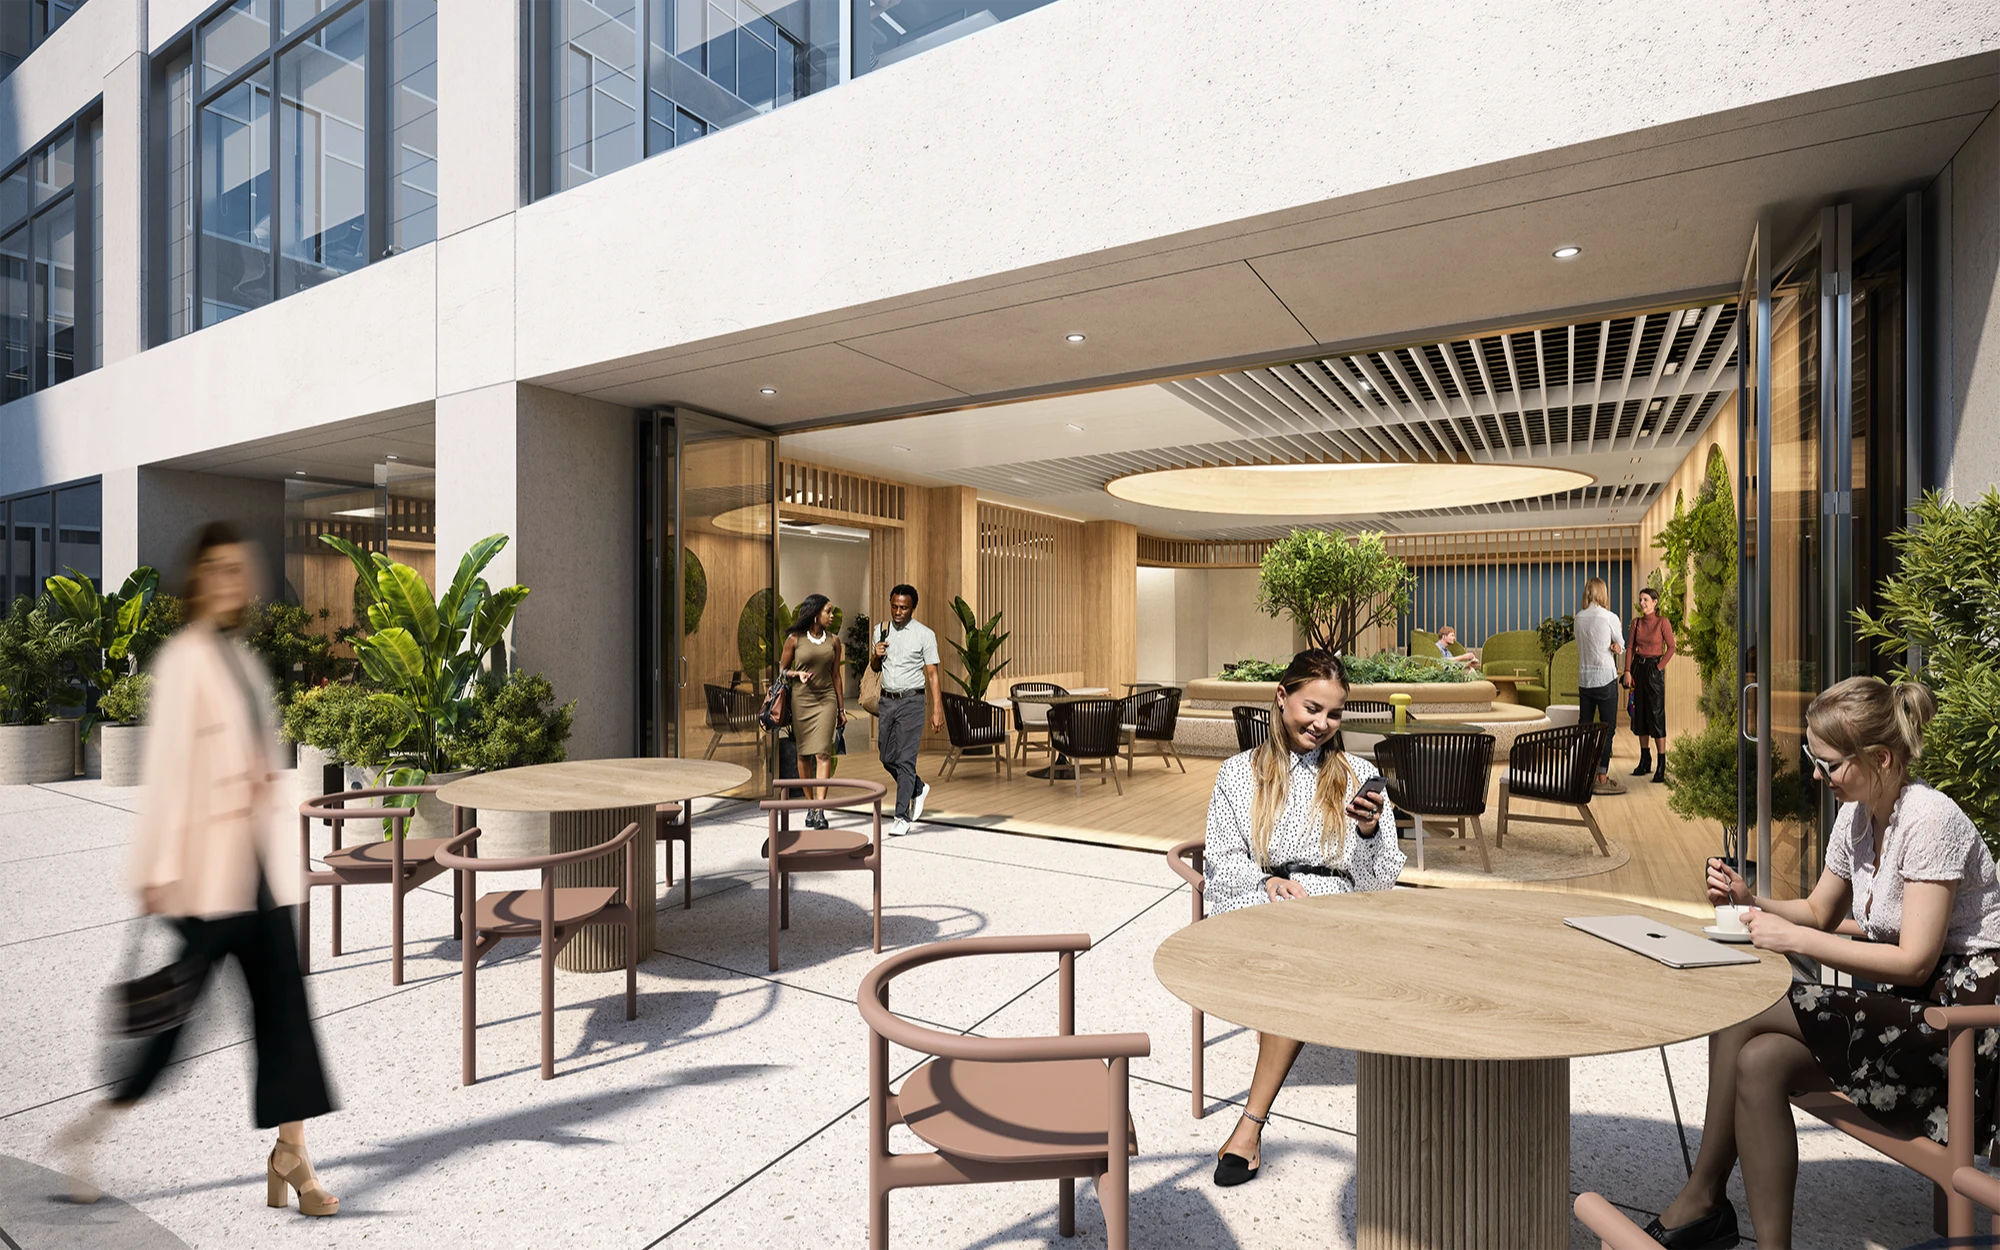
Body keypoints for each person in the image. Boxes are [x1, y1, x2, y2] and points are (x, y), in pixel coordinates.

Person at [1642, 677, 1999, 1250]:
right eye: (1814, 758)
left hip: (1960, 1034)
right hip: (1909, 1018)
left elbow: (1913, 960)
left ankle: (1702, 1199)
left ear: (1880, 759)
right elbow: (1818, 910)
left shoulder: (1929, 820)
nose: (1817, 775)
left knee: (1743, 1012)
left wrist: (1791, 940)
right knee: (1760, 1062)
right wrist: (1751, 901)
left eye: (1828, 764)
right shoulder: (1859, 816)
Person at [56, 523, 339, 1216]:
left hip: (258, 869)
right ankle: (91, 1131)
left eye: (237, 569)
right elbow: (170, 775)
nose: (229, 581)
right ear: (197, 580)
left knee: (287, 1019)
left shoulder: (242, 658)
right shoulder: (183, 661)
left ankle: (291, 1160)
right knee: (172, 1026)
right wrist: (154, 868)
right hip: (205, 879)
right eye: (215, 569)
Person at [1203, 648, 1401, 1187]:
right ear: (1281, 697)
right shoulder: (1239, 774)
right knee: (1289, 957)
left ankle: (1248, 1126)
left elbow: (1382, 882)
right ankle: (1251, 1124)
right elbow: (1220, 858)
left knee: (1306, 957)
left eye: (1334, 714)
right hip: (1264, 903)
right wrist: (1267, 882)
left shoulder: (1358, 773)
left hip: (1336, 912)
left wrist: (1367, 832)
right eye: (1312, 708)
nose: (1322, 724)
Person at [868, 584, 943, 837]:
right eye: (894, 606)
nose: (898, 611)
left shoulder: (925, 634)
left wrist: (937, 710)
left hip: (912, 702)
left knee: (905, 760)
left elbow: (932, 675)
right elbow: (875, 667)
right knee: (886, 757)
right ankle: (918, 788)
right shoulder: (881, 630)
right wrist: (876, 656)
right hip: (887, 701)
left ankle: (901, 816)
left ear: (913, 608)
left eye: (904, 607)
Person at [779, 594, 845, 829]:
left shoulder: (834, 641)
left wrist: (841, 709)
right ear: (815, 613)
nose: (831, 615)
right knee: (803, 755)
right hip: (802, 699)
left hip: (826, 699)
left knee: (823, 753)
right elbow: (782, 670)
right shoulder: (794, 639)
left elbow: (836, 675)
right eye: (828, 611)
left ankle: (820, 809)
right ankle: (810, 805)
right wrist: (797, 675)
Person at [1572, 577, 1626, 794]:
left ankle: (1581, 773)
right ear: (1603, 593)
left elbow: (1581, 645)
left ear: (1587, 593)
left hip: (1585, 679)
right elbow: (1620, 645)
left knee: (1584, 727)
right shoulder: (1609, 617)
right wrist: (1615, 646)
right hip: (1605, 678)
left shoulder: (1578, 618)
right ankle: (1601, 778)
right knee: (1607, 729)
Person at [1622, 587, 1675, 784]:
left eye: (1645, 600)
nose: (1642, 603)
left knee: (1656, 714)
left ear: (1655, 602)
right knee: (1640, 714)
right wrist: (1627, 670)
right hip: (1637, 670)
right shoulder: (1636, 623)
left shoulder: (1663, 623)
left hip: (1653, 670)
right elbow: (1629, 648)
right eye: (1640, 600)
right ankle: (1645, 759)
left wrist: (1659, 668)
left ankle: (1662, 763)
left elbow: (1671, 647)